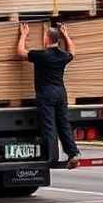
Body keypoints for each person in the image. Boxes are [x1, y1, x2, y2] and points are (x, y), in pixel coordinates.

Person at [16, 22, 81, 169]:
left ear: (47, 39)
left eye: (44, 36)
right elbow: (73, 52)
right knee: (64, 124)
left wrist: (24, 35)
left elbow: (20, 52)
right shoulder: (63, 56)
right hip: (60, 93)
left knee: (49, 126)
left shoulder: (42, 56)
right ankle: (73, 153)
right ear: (57, 40)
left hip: (46, 93)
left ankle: (52, 157)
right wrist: (66, 35)